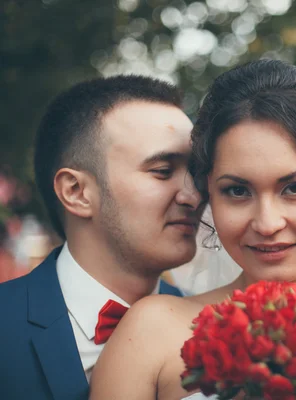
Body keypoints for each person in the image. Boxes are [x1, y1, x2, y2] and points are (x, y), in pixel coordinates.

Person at [90, 60, 296, 400]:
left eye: (294, 188)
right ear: (209, 191)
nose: (267, 224)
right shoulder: (150, 331)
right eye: (237, 191)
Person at [0, 75, 202, 400]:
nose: (194, 196)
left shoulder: (214, 329)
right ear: (76, 191)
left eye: (197, 172)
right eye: (163, 171)